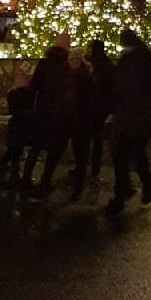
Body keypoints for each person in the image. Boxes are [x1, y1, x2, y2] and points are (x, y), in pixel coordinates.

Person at [108, 27, 151, 214]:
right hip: (138, 114)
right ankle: (138, 188)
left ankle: (124, 194)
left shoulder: (131, 60)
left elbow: (118, 86)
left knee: (124, 156)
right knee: (133, 154)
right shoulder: (149, 58)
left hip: (131, 113)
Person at [23, 35, 72, 193]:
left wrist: (29, 106)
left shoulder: (43, 65)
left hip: (43, 110)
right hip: (59, 112)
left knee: (36, 147)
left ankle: (25, 178)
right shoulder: (66, 67)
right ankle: (45, 180)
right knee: (54, 150)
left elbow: (34, 87)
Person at [0, 69, 34, 190]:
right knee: (14, 151)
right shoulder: (25, 95)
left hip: (16, 126)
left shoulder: (14, 94)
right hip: (21, 126)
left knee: (13, 151)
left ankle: (7, 174)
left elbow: (13, 109)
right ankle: (11, 174)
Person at [65, 50, 98, 199]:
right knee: (79, 153)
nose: (72, 62)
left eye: (75, 59)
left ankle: (78, 187)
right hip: (77, 120)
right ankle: (78, 181)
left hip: (81, 120)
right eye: (70, 59)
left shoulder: (82, 77)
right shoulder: (77, 76)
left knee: (81, 153)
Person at [88, 38, 115, 178]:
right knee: (97, 138)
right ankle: (95, 166)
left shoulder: (93, 64)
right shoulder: (108, 64)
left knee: (86, 138)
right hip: (103, 107)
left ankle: (86, 166)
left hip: (92, 106)